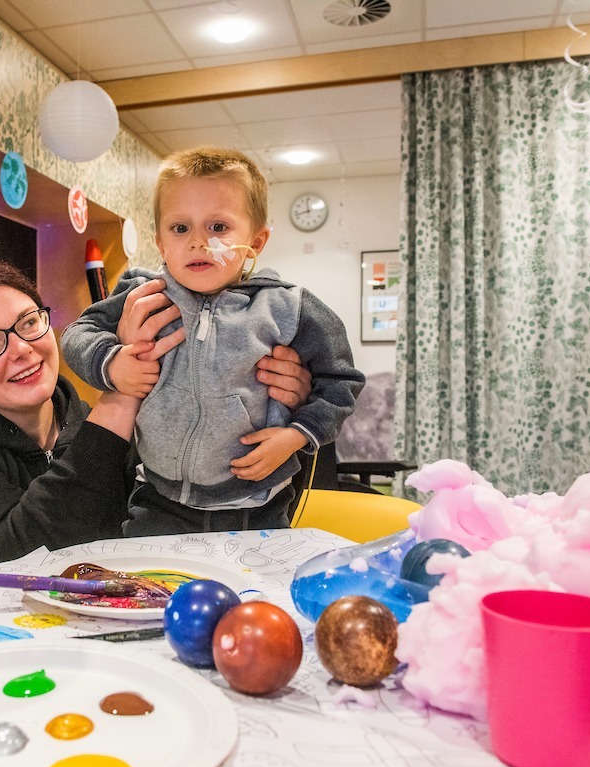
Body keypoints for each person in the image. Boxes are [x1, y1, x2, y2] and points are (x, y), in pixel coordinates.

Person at [0, 256, 313, 570]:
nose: (21, 348)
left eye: (29, 322)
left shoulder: (94, 420)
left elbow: (233, 510)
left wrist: (278, 411)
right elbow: (19, 556)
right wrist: (125, 388)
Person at [61, 146, 364, 535]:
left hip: (259, 504)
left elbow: (341, 382)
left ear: (256, 241)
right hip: (157, 499)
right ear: (160, 241)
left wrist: (297, 436)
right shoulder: (144, 292)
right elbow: (77, 334)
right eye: (180, 228)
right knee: (153, 591)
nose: (198, 241)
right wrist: (112, 363)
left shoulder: (287, 307)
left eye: (218, 227)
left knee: (253, 595)